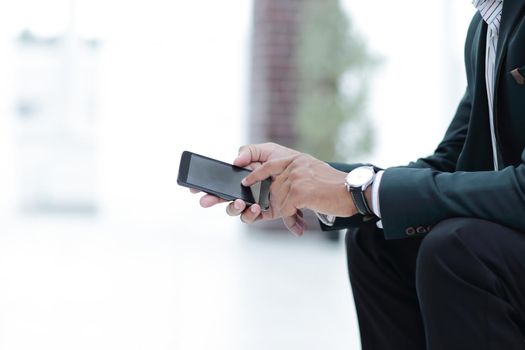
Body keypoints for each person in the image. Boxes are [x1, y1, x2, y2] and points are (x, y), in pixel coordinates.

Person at [191, 0, 525, 348]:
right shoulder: (484, 27)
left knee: (458, 249)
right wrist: (305, 179)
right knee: (378, 240)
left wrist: (360, 193)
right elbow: (450, 163)